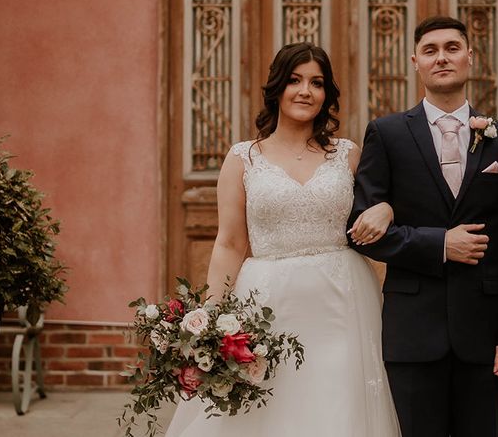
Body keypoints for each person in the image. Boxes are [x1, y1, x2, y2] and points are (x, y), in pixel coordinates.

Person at [166, 42, 401, 437]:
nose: (305, 91)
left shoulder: (348, 154)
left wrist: (388, 209)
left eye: (316, 82)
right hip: (267, 300)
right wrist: (209, 319)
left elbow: (377, 210)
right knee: (268, 407)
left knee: (338, 403)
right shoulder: (243, 158)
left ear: (327, 94)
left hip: (342, 301)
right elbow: (230, 243)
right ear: (277, 87)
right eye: (294, 80)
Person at [347, 15, 498, 437]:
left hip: (484, 334)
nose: (442, 58)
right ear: (415, 61)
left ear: (470, 56)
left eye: (452, 48)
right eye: (430, 51)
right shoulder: (387, 133)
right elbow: (357, 231)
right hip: (413, 331)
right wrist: (439, 244)